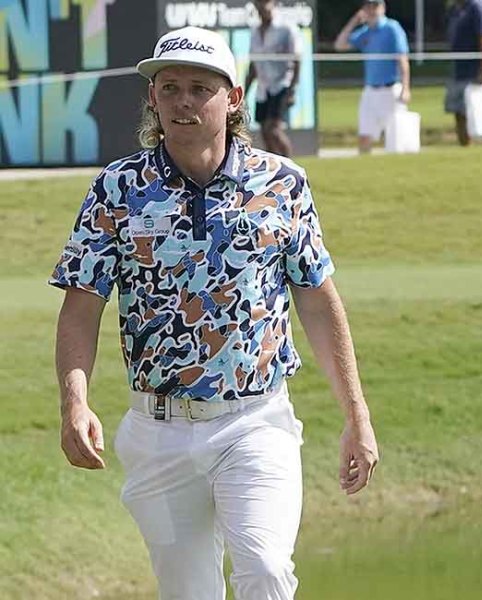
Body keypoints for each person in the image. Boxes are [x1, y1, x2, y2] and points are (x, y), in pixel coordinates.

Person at [52, 26, 379, 600]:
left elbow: (319, 303)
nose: (182, 100)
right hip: (158, 430)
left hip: (256, 422)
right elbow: (82, 306)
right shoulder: (118, 188)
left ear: (231, 98)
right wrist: (75, 402)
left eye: (199, 87)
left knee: (267, 568)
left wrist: (357, 416)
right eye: (169, 86)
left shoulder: (282, 184)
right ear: (152, 98)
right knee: (189, 593)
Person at [334, 0, 412, 154]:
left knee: (395, 136)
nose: (372, 10)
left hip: (390, 89)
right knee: (365, 134)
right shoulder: (365, 32)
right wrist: (354, 21)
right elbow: (340, 45)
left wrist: (406, 87)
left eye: (375, 6)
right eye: (369, 6)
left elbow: (402, 59)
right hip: (370, 90)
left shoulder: (392, 28)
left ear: (383, 8)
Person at [246, 0, 301, 156]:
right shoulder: (255, 31)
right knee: (265, 131)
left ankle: (290, 168)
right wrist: (245, 91)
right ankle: (274, 170)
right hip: (263, 88)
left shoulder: (286, 28)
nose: (263, 6)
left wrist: (292, 90)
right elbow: (253, 65)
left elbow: (297, 60)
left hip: (281, 85)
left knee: (273, 129)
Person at [445, 0, 482, 146]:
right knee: (458, 111)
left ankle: (476, 147)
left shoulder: (477, 6)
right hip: (458, 70)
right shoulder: (455, 8)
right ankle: (464, 146)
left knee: (474, 113)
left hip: (473, 70)